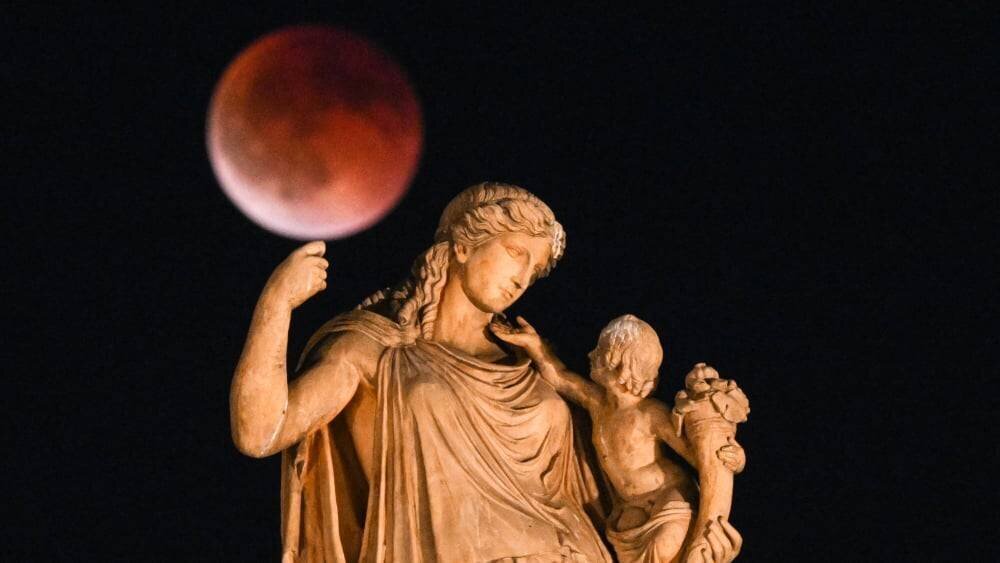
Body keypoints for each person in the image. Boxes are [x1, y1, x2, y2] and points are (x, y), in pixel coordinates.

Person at [230, 182, 612, 562]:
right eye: (515, 252)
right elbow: (262, 431)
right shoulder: (373, 348)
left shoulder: (534, 365)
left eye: (535, 268)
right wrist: (276, 304)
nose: (523, 278)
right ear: (463, 246)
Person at [490, 314, 744, 563]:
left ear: (621, 364)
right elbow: (559, 377)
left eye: (599, 351)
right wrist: (533, 345)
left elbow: (700, 458)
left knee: (663, 550)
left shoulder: (650, 413)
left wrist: (735, 460)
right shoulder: (598, 404)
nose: (590, 355)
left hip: (669, 503)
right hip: (630, 510)